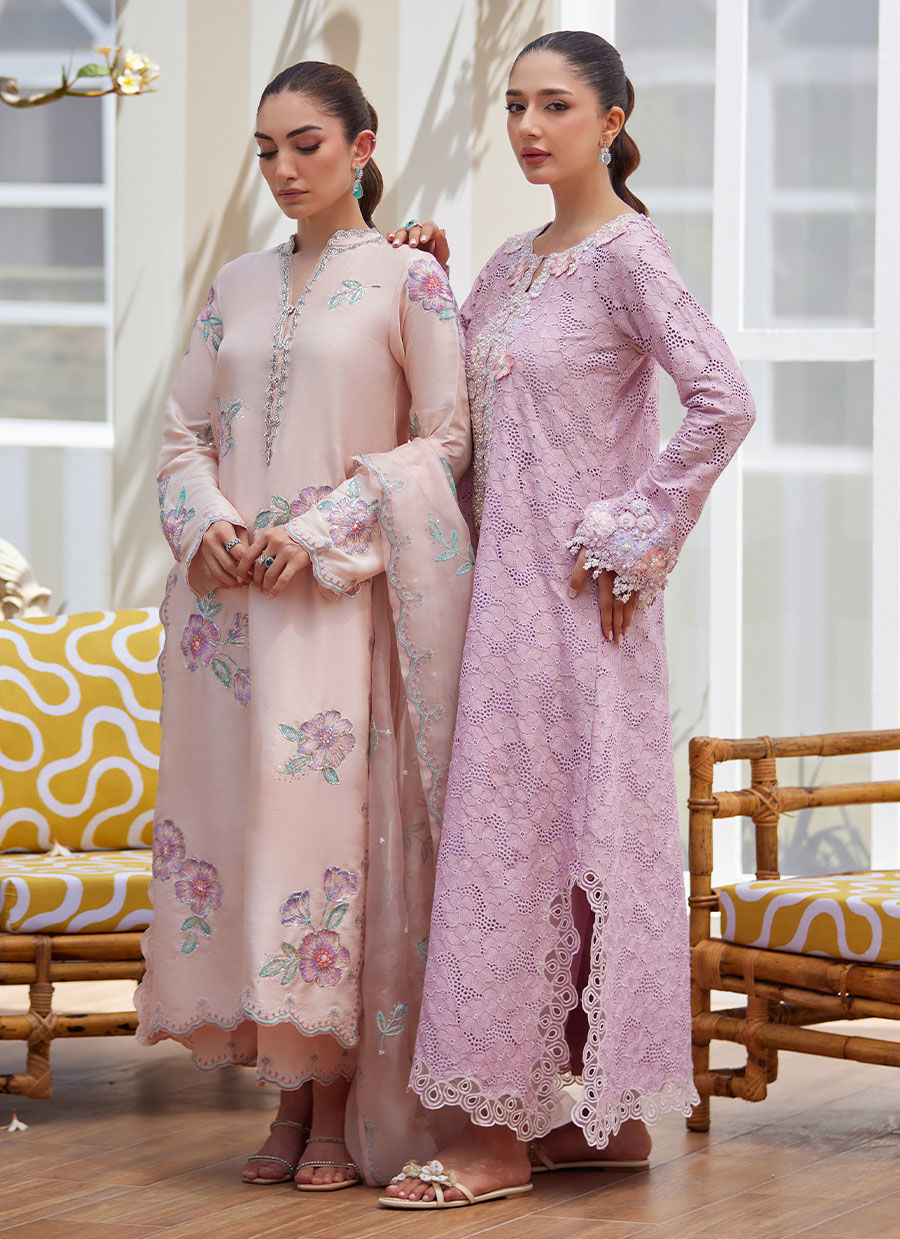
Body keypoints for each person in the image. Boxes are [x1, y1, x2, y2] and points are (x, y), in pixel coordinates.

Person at [380, 30, 755, 1210]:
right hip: (497, 603)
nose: (530, 128)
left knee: (546, 844)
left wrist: (634, 531)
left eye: (555, 105)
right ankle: (602, 1126)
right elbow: (463, 403)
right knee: (523, 844)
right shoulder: (512, 261)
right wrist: (427, 279)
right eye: (516, 105)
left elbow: (723, 401)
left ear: (612, 119)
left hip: (583, 611)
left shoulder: (630, 256)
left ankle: (498, 1139)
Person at [135, 60, 473, 1192]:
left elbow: (446, 439)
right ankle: (283, 1094)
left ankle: (334, 1102)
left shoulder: (411, 282)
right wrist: (208, 525)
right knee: (247, 840)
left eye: (308, 145)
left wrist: (324, 527)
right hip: (230, 616)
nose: (283, 168)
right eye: (266, 150)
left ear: (362, 148)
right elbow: (180, 435)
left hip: (336, 604)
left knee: (325, 847)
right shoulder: (234, 282)